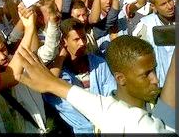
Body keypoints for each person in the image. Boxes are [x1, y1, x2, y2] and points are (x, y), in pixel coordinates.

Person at [15, 35, 175, 133]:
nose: (155, 79)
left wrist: (53, 84)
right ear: (120, 79)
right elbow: (121, 117)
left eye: (154, 69)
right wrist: (53, 84)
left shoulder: (156, 106)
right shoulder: (124, 125)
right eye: (146, 74)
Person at [0, 4, 47, 133]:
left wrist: (30, 26)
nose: (2, 56)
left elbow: (35, 53)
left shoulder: (23, 66)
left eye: (3, 49)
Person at [43, 18, 116, 133]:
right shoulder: (59, 73)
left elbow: (111, 95)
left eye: (84, 38)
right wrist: (61, 56)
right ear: (64, 42)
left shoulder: (99, 64)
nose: (82, 43)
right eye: (76, 39)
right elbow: (48, 87)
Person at [133, 0, 175, 87]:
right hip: (163, 86)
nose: (169, 6)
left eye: (170, 0)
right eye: (163, 4)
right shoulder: (145, 26)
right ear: (153, 7)